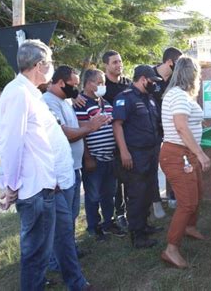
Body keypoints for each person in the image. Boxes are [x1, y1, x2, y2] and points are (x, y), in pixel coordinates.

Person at [0, 39, 91, 290]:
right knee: (36, 254)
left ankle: (77, 283)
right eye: (49, 64)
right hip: (35, 188)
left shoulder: (30, 92)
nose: (51, 69)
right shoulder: (17, 93)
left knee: (64, 238)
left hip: (52, 183)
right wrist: (11, 185)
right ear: (40, 65)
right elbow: (11, 144)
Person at [43, 65, 110, 270]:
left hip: (72, 167)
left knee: (69, 216)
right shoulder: (47, 103)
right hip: (60, 170)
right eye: (73, 85)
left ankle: (68, 250)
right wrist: (90, 126)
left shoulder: (64, 100)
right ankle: (55, 260)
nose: (76, 89)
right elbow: (64, 133)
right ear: (61, 83)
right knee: (59, 219)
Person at [159, 56, 211, 269]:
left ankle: (189, 227)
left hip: (185, 154)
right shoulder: (179, 95)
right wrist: (201, 154)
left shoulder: (182, 96)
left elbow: (186, 122)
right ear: (192, 74)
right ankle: (171, 249)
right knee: (187, 202)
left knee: (197, 194)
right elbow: (181, 126)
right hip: (178, 155)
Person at [112, 65, 163, 249]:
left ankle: (145, 225)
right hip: (134, 154)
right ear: (143, 79)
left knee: (148, 190)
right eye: (152, 81)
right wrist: (124, 152)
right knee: (137, 193)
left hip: (150, 151)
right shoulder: (125, 98)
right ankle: (137, 235)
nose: (154, 85)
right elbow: (117, 126)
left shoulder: (148, 99)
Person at [75, 69, 125, 239]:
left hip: (109, 157)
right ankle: (93, 227)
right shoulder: (80, 104)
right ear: (88, 83)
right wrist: (88, 157)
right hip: (94, 159)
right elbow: (81, 132)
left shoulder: (106, 104)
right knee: (93, 195)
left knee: (108, 194)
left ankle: (108, 223)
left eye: (103, 82)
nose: (102, 85)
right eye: (98, 82)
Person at [101, 50, 133, 230]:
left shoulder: (127, 84)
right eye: (114, 62)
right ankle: (118, 214)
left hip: (129, 138)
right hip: (108, 140)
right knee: (115, 183)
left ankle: (132, 210)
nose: (119, 65)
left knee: (129, 178)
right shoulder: (101, 86)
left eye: (120, 61)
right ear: (106, 65)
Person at [152, 47, 183, 214]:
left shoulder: (176, 79)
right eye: (178, 63)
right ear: (170, 62)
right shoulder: (149, 75)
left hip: (171, 128)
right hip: (151, 129)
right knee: (153, 165)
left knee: (174, 161)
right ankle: (155, 200)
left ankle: (173, 194)